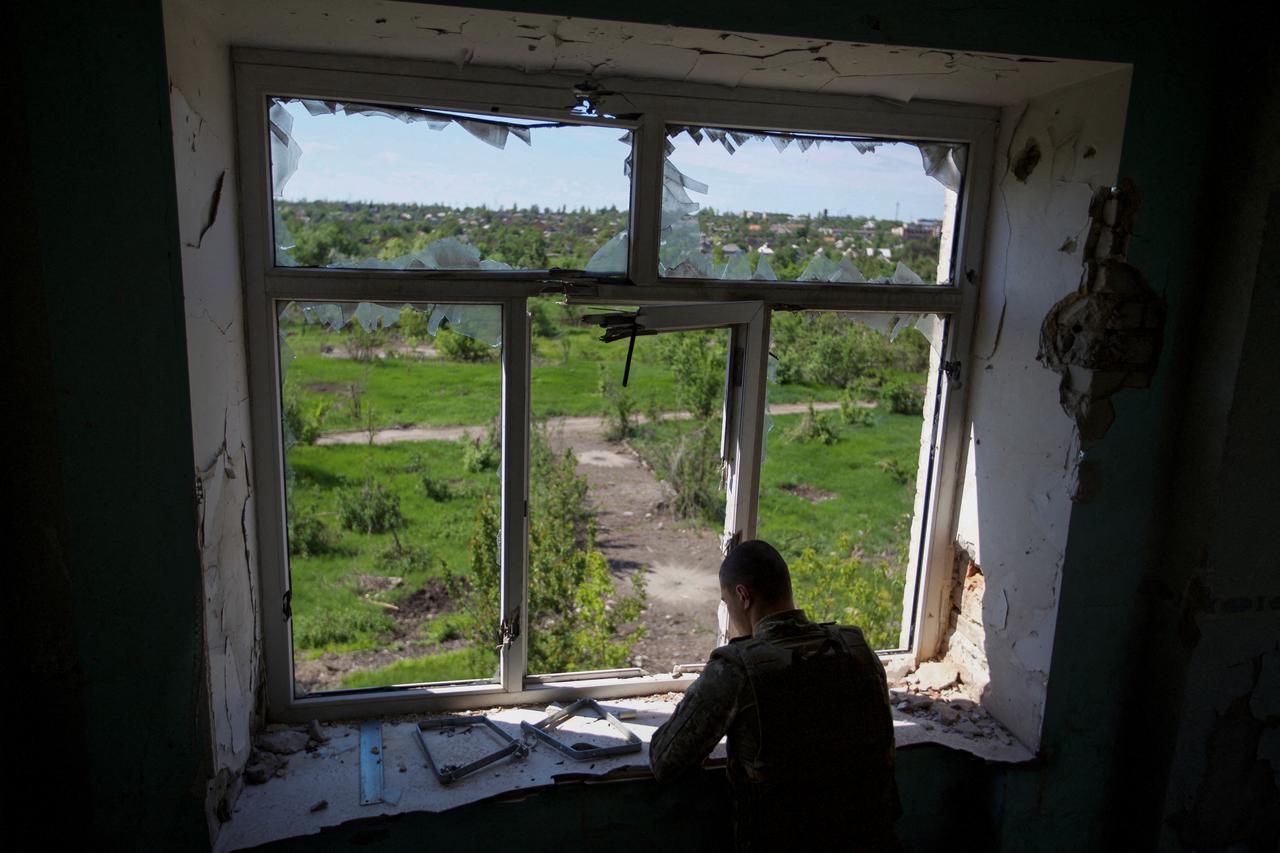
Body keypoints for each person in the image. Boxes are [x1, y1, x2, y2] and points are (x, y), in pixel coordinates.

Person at [648, 540, 901, 852]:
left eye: (726, 604)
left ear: (742, 596)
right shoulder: (856, 649)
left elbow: (664, 760)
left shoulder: (736, 668)